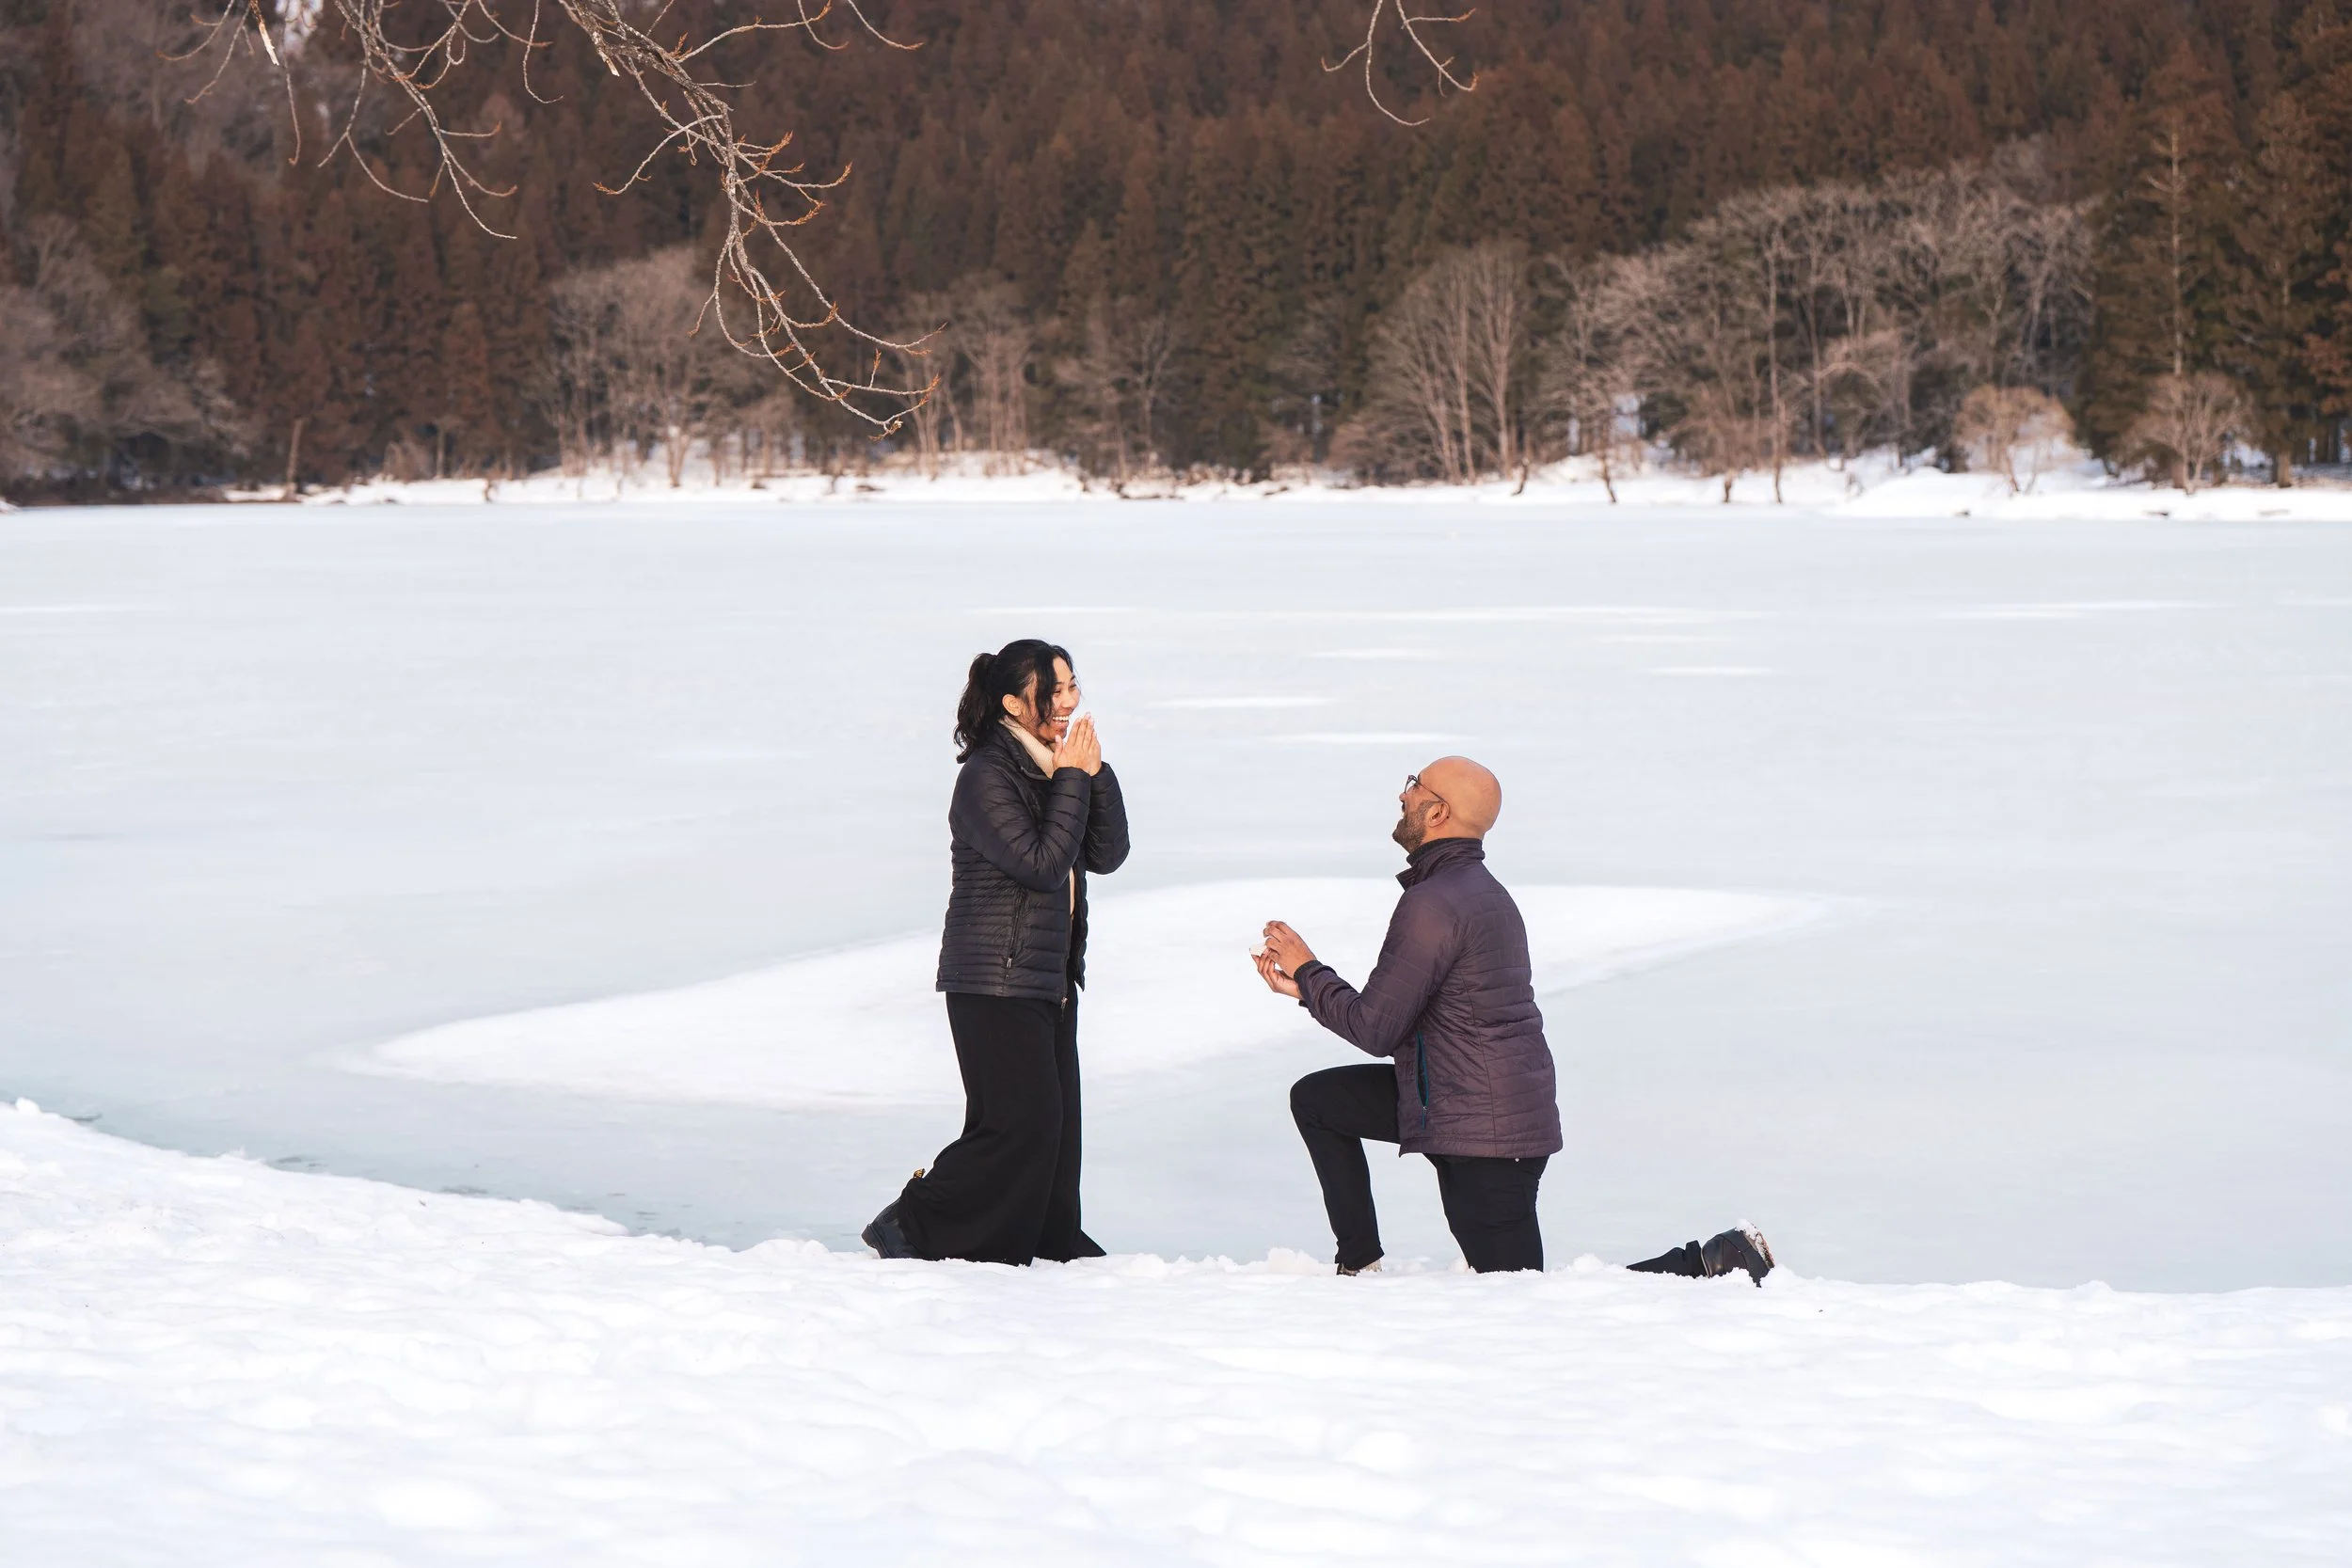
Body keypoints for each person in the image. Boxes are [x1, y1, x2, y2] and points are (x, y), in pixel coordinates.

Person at [1256, 757, 1775, 1284]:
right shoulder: (1472, 892)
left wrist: (1309, 968)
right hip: (1456, 1100)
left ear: (1437, 812)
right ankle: (1358, 1261)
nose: (1403, 795)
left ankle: (1712, 1261)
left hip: (1487, 1133)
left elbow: (1375, 1029)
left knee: (1521, 1295)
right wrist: (1308, 990)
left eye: (1414, 785)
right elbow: (1403, 1016)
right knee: (1320, 1101)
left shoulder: (1437, 903)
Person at [863, 640, 1130, 1265]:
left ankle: (1048, 1235)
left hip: (1047, 978)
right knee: (1018, 1126)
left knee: (1057, 1130)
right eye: (1055, 690)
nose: (1070, 700)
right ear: (1014, 701)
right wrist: (1071, 775)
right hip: (994, 979)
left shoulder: (1049, 766)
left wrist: (1094, 773)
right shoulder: (985, 774)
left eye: (1072, 686)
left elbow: (1105, 853)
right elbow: (1040, 865)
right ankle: (910, 1221)